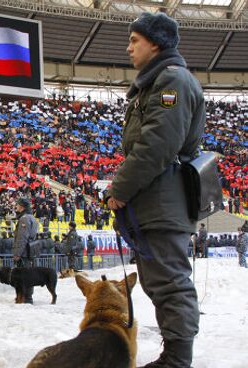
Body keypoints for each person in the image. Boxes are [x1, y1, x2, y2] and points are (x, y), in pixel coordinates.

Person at [106, 12, 203, 367]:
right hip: (154, 202)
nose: (128, 47)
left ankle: (177, 360)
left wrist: (120, 188)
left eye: (135, 40)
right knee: (159, 283)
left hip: (165, 203)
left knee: (170, 284)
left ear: (156, 43)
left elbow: (157, 145)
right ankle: (174, 354)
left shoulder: (172, 80)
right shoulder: (155, 82)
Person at [13, 197, 39, 268]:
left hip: (24, 253)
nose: (16, 206)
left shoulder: (24, 218)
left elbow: (22, 237)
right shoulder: (32, 217)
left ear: (22, 206)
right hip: (30, 252)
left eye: (17, 204)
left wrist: (18, 254)